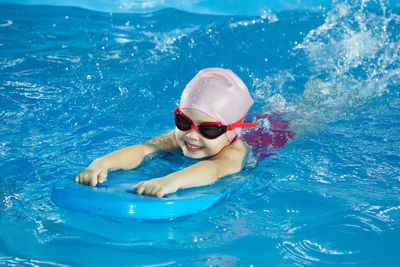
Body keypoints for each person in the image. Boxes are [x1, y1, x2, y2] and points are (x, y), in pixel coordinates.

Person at [75, 68, 258, 198]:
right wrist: (101, 163)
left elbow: (214, 169)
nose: (192, 135)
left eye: (208, 129)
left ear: (231, 132)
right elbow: (145, 149)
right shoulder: (181, 136)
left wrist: (171, 181)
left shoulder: (234, 151)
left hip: (269, 141)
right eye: (183, 121)